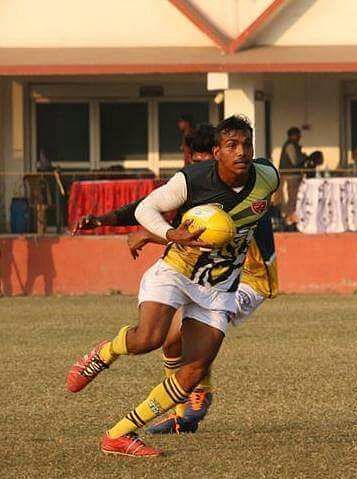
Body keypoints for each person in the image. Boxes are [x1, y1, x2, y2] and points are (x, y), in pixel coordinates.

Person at [66, 115, 280, 458]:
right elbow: (148, 207)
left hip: (221, 286)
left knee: (194, 370)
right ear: (216, 153)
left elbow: (255, 217)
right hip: (178, 270)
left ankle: (118, 435)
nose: (241, 152)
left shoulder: (268, 176)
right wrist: (167, 234)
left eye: (246, 145)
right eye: (232, 146)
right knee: (149, 338)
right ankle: (103, 353)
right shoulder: (193, 179)